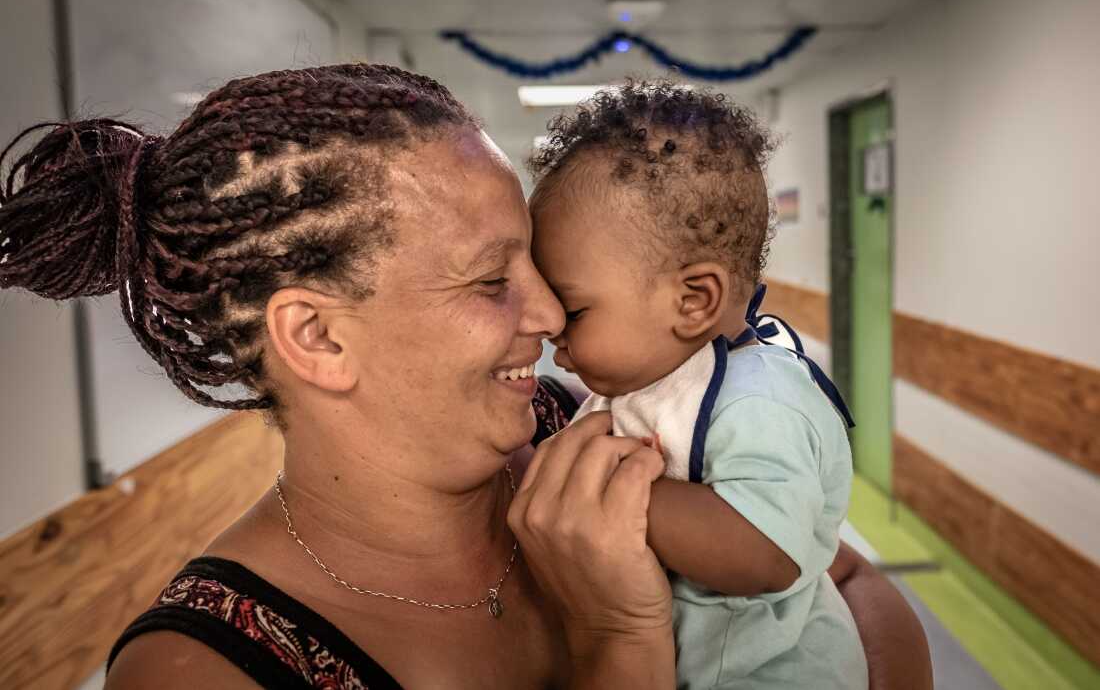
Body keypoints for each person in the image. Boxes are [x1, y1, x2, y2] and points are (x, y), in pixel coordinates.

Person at [0, 64, 930, 689]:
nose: (551, 315)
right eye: (492, 280)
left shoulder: (575, 420)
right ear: (316, 335)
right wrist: (619, 639)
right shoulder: (205, 668)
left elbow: (843, 578)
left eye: (540, 267)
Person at [528, 79, 865, 688]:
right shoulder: (644, 379)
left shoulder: (762, 397)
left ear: (694, 300)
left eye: (573, 310)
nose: (552, 326)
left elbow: (763, 552)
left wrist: (617, 495)